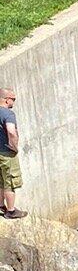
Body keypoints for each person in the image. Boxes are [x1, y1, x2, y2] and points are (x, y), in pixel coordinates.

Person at [0, 86, 24, 219]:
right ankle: (11, 210)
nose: (13, 103)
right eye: (13, 99)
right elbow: (11, 131)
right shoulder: (8, 114)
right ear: (6, 99)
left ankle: (0, 205)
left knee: (0, 180)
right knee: (10, 181)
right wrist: (14, 146)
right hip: (6, 153)